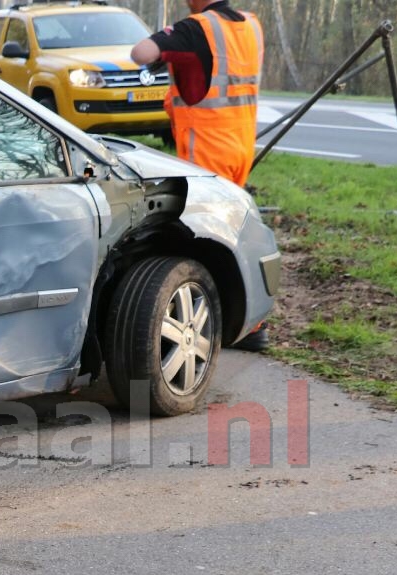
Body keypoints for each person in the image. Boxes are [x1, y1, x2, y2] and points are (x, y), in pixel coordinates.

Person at [132, 0, 269, 351]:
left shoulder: (195, 29)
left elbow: (140, 52)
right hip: (240, 147)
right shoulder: (251, 26)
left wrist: (167, 43)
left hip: (206, 155)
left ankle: (199, 325)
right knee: (235, 234)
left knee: (199, 241)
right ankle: (253, 326)